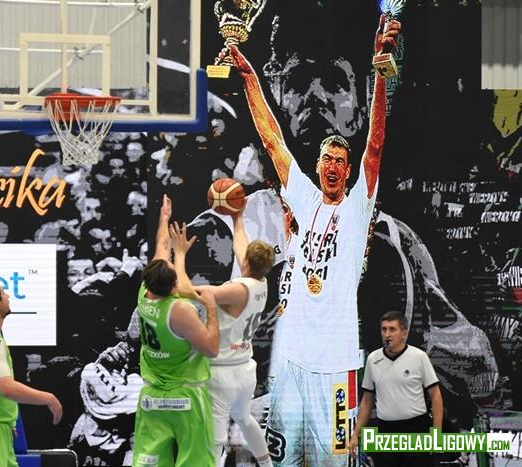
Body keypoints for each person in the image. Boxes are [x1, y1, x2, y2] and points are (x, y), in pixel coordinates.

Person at [227, 14, 401, 466]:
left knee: (335, 463)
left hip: (337, 366)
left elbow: (376, 145)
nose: (333, 166)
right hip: (290, 360)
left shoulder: (357, 206)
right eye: (327, 159)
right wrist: (248, 75)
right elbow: (272, 139)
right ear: (319, 165)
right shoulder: (304, 199)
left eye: (341, 161)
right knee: (282, 461)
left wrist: (382, 72)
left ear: (348, 170)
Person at [132, 194, 219, 467]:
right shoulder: (179, 310)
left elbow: (161, 246)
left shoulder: (144, 293)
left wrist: (164, 219)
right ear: (173, 287)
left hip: (152, 398)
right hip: (185, 397)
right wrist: (211, 309)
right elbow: (211, 349)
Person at [194, 200, 275, 467]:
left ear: (247, 262)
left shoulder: (238, 290)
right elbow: (241, 246)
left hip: (223, 371)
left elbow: (200, 292)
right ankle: (267, 465)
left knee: (215, 436)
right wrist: (237, 218)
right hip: (244, 368)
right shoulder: (260, 282)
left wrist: (179, 257)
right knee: (244, 418)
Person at [0, 277, 63, 467]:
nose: (8, 296)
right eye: (3, 293)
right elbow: (7, 387)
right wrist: (49, 398)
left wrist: (5, 421)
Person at [349, 311, 443, 466]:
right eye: (384, 329)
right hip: (386, 431)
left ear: (404, 333)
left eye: (392, 329)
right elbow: (367, 401)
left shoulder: (419, 357)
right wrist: (355, 434)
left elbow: (436, 396)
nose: (387, 334)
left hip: (416, 429)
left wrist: (437, 434)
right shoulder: (373, 359)